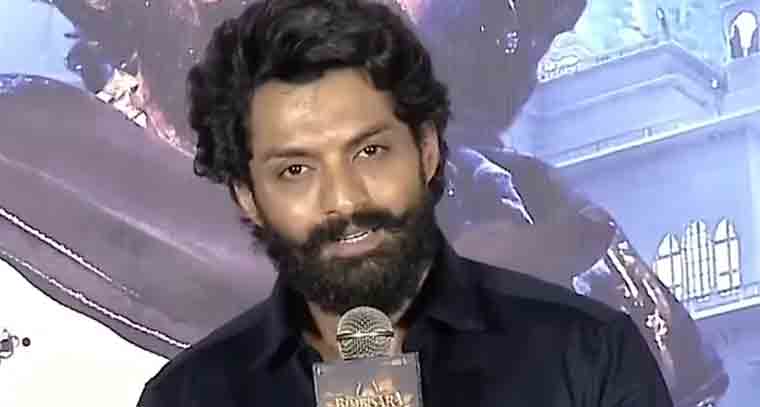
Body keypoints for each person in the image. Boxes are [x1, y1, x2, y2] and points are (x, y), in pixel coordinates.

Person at [137, 1, 673, 405]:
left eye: (370, 152)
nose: (344, 200)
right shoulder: (190, 397)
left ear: (427, 151)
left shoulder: (590, 358)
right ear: (247, 197)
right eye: (296, 170)